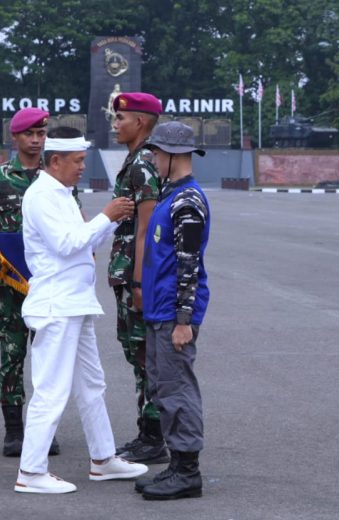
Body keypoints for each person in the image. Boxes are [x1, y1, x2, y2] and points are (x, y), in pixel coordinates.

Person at [14, 127, 148, 494]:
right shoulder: (42, 195)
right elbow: (67, 243)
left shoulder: (62, 193)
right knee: (51, 390)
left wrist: (112, 219)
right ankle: (31, 472)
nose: (81, 168)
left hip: (75, 303)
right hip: (57, 305)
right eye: (77, 162)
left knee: (92, 385)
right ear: (55, 161)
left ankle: (104, 460)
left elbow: (83, 241)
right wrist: (106, 216)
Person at [0, 108, 64, 457]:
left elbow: (73, 219)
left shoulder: (57, 175)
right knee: (12, 353)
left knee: (49, 357)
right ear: (16, 138)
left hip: (49, 281)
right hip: (12, 283)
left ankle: (44, 426)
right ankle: (14, 430)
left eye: (41, 133)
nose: (37, 139)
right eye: (30, 133)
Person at [135, 121, 211, 500]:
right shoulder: (171, 194)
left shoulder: (187, 203)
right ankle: (177, 465)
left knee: (178, 389)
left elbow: (189, 265)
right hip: (159, 310)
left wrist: (184, 321)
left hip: (172, 314)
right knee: (165, 387)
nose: (151, 158)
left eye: (156, 153)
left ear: (173, 156)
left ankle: (187, 472)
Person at [108, 92, 168, 464]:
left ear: (141, 122)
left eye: (121, 119)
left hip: (136, 279)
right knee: (138, 355)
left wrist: (140, 283)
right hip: (127, 276)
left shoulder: (142, 164)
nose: (115, 125)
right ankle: (148, 432)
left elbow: (147, 228)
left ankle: (154, 436)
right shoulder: (135, 160)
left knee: (145, 356)